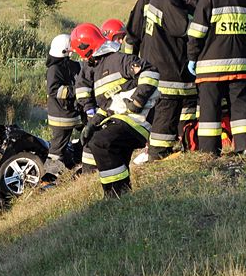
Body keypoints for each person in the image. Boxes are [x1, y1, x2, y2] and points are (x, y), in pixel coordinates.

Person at [72, 23, 160, 198]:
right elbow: (110, 105)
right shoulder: (98, 70)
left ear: (85, 49)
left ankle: (116, 193)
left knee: (101, 142)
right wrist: (93, 122)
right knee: (99, 141)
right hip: (123, 118)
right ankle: (118, 194)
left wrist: (137, 101)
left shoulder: (119, 60)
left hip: (139, 118)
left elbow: (150, 72)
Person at [188, 0, 246, 155]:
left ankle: (209, 152)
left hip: (211, 68)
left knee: (210, 110)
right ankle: (244, 148)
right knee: (240, 109)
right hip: (240, 66)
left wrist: (192, 57)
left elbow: (197, 31)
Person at [140, 0, 200, 161]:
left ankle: (168, 148)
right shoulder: (168, 0)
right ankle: (158, 155)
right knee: (166, 114)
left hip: (157, 65)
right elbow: (187, 28)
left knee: (170, 113)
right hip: (168, 69)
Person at [44, 34, 81, 178]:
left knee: (84, 138)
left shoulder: (72, 65)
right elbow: (54, 90)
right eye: (70, 49)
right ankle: (50, 177)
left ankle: (75, 164)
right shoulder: (54, 70)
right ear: (64, 50)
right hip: (61, 116)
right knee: (57, 149)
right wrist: (75, 91)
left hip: (74, 113)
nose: (72, 52)